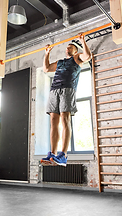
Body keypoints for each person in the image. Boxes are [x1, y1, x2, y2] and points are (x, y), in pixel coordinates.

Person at [40, 33, 91, 167]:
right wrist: (46, 53)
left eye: (70, 47)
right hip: (54, 90)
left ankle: (63, 155)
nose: (67, 49)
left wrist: (82, 41)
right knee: (53, 121)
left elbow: (88, 56)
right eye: (66, 47)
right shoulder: (60, 62)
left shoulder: (76, 58)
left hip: (68, 89)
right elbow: (46, 69)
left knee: (64, 118)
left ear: (75, 50)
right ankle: (52, 152)